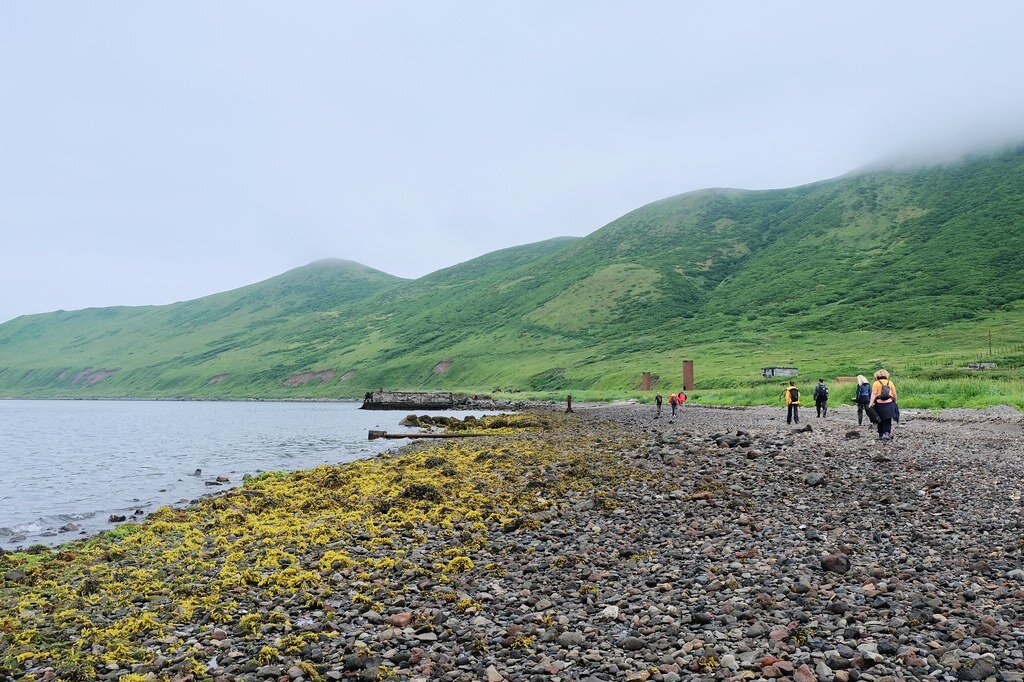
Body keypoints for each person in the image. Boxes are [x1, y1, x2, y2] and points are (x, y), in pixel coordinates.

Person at [868, 369, 898, 440]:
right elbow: (894, 393)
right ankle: (886, 433)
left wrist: (870, 404)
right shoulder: (890, 382)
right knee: (888, 420)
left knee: (880, 420)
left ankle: (881, 434)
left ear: (877, 375)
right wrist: (895, 400)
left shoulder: (876, 383)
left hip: (879, 405)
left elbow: (873, 394)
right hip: (889, 404)